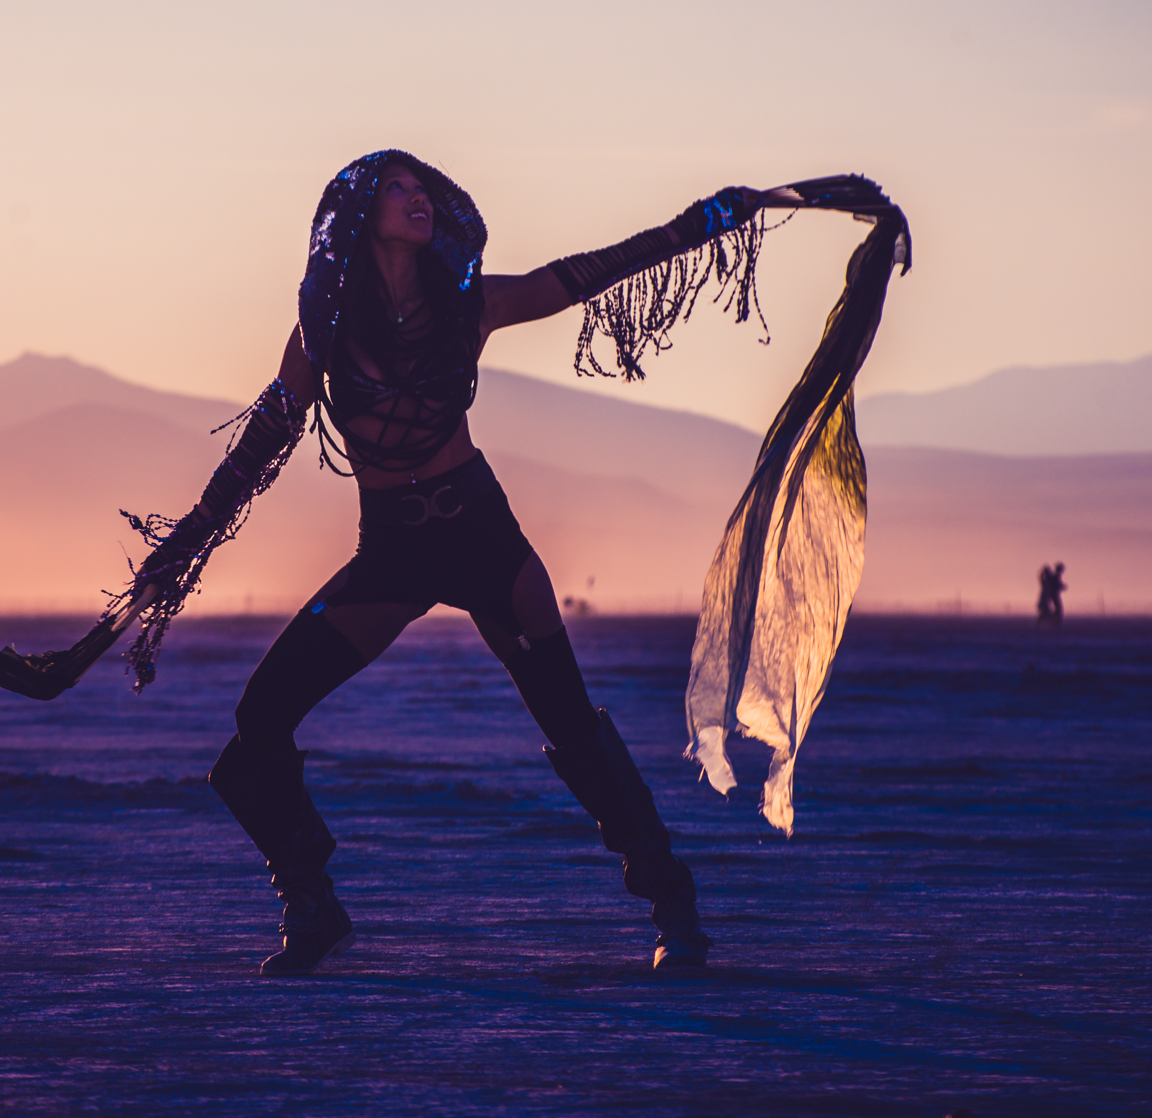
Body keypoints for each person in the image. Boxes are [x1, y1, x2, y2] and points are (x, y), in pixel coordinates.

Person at [133, 151, 794, 977]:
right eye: (398, 190)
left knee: (571, 724)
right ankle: (312, 905)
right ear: (359, 216)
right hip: (393, 554)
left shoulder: (467, 304)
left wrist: (700, 223)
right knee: (261, 714)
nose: (419, 201)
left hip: (483, 537)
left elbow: (580, 275)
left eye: (424, 191)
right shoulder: (323, 329)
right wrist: (177, 552)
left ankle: (675, 909)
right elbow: (258, 448)